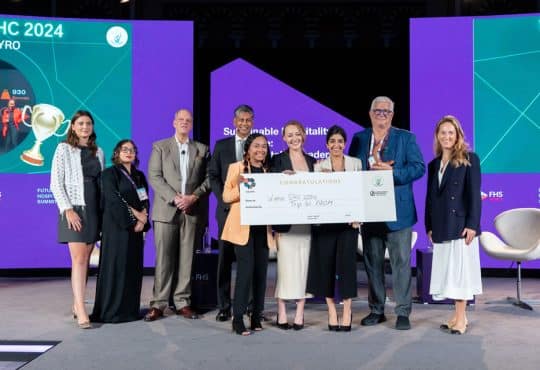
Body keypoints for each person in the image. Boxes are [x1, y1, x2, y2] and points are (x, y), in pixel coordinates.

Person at [349, 96, 425, 330]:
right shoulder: (359, 138)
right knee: (372, 264)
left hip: (398, 213)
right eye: (377, 110)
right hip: (370, 211)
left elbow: (419, 167)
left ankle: (403, 312)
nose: (382, 114)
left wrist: (391, 173)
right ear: (370, 113)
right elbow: (351, 169)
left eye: (386, 111)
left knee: (401, 263)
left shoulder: (406, 138)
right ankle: (377, 310)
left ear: (392, 115)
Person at [144, 108, 210, 321]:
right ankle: (159, 304)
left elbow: (208, 179)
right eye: (180, 119)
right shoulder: (160, 147)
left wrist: (193, 197)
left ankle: (182, 301)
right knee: (164, 259)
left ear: (191, 124)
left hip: (191, 211)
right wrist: (175, 198)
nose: (184, 123)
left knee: (187, 259)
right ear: (174, 123)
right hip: (166, 211)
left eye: (188, 120)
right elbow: (154, 176)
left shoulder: (201, 149)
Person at [425, 115, 482, 335]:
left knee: (460, 274)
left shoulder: (469, 159)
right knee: (448, 273)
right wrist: (428, 225)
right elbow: (430, 199)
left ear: (457, 135)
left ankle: (461, 319)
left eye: (451, 132)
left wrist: (472, 225)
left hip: (460, 227)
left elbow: (474, 196)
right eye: (443, 133)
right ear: (437, 137)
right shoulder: (434, 165)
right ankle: (458, 316)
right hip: (440, 226)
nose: (447, 136)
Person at [50, 110, 104, 329]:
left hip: (94, 209)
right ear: (72, 126)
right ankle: (81, 309)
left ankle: (76, 303)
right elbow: (56, 183)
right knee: (79, 259)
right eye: (80, 123)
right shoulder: (63, 149)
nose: (85, 127)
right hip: (74, 209)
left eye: (88, 123)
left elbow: (101, 181)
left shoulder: (98, 151)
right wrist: (67, 209)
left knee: (87, 258)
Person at [306, 125, 362, 332]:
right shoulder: (319, 166)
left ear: (344, 144)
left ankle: (347, 310)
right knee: (326, 266)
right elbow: (316, 195)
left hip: (349, 224)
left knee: (347, 267)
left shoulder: (356, 163)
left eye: (340, 141)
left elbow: (360, 192)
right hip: (326, 224)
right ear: (327, 144)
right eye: (332, 141)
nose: (336, 145)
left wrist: (358, 216)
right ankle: (331, 310)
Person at [90, 139, 150, 323]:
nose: (129, 152)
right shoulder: (109, 174)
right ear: (116, 153)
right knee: (116, 267)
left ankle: (130, 310)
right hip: (116, 227)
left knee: (132, 268)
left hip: (137, 231)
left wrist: (144, 218)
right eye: (124, 149)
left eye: (132, 150)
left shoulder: (139, 175)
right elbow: (114, 199)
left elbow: (145, 199)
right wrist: (136, 218)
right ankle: (112, 311)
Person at [221, 133, 275, 335]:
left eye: (264, 147)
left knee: (261, 274)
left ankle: (255, 316)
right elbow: (226, 196)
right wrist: (241, 188)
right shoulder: (236, 168)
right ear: (248, 149)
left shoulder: (270, 171)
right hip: (243, 228)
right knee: (245, 273)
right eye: (257, 146)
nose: (261, 150)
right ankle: (237, 319)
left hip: (263, 229)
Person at [209, 104, 254, 322]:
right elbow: (213, 175)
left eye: (249, 120)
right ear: (234, 122)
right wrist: (226, 198)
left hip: (253, 213)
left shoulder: (258, 145)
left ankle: (248, 304)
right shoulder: (221, 145)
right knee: (225, 261)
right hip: (227, 212)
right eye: (241, 120)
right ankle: (224, 306)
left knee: (249, 260)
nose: (245, 123)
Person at [270, 120, 316, 331]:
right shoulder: (277, 161)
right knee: (285, 269)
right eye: (289, 135)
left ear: (303, 135)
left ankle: (299, 313)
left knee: (304, 269)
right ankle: (281, 312)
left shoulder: (313, 161)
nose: (294, 138)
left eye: (297, 134)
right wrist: (281, 180)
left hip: (307, 224)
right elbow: (270, 193)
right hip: (285, 226)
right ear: (283, 139)